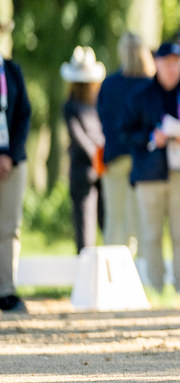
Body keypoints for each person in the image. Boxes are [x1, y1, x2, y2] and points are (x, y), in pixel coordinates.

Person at [121, 42, 180, 296]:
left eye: (176, 63)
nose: (172, 69)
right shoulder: (141, 94)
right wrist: (151, 137)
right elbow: (124, 132)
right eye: (167, 63)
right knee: (151, 234)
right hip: (150, 175)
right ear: (156, 63)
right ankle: (156, 287)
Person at [97, 32, 155, 256]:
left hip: (114, 157)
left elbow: (102, 118)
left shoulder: (109, 84)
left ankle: (111, 273)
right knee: (140, 220)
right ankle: (141, 272)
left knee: (115, 218)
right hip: (143, 159)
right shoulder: (150, 85)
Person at [61, 46, 107, 253]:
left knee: (106, 224)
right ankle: (84, 273)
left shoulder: (97, 103)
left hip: (101, 169)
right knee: (85, 228)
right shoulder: (71, 106)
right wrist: (98, 156)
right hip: (84, 172)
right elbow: (79, 138)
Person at [1, 47, 32, 314]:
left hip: (13, 160)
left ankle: (6, 290)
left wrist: (9, 154)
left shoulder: (12, 71)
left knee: (10, 226)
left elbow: (24, 114)